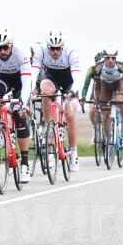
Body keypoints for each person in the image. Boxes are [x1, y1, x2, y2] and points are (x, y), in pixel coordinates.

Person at [0, 27, 33, 183]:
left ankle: (24, 163)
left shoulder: (21, 54)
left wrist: (23, 103)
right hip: (2, 78)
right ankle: (1, 126)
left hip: (19, 83)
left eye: (5, 47)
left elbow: (26, 82)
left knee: (20, 117)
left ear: (11, 45)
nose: (2, 51)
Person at [32, 29, 82, 171]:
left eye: (58, 48)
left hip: (69, 82)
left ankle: (73, 152)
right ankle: (49, 128)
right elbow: (33, 73)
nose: (55, 52)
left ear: (62, 47)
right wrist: (30, 92)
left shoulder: (71, 52)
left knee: (69, 113)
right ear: (48, 47)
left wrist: (71, 92)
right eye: (52, 49)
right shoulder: (41, 51)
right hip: (51, 77)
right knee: (46, 92)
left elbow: (77, 77)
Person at [92, 46, 123, 145]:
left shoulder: (122, 66)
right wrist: (97, 100)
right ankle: (108, 139)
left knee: (119, 101)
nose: (110, 60)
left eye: (113, 58)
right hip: (105, 87)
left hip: (119, 84)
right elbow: (97, 87)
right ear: (104, 58)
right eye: (108, 58)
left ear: (116, 59)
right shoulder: (98, 67)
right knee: (105, 116)